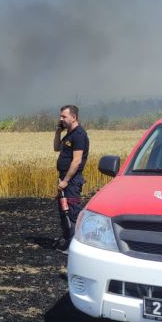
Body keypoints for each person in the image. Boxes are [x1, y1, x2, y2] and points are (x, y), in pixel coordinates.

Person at [53, 104, 89, 252]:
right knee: (63, 211)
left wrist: (66, 181)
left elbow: (76, 161)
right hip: (64, 179)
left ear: (73, 117)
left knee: (72, 212)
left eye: (64, 116)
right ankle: (67, 241)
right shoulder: (68, 133)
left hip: (72, 181)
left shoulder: (79, 134)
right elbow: (56, 148)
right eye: (60, 116)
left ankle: (74, 246)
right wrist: (57, 132)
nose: (61, 119)